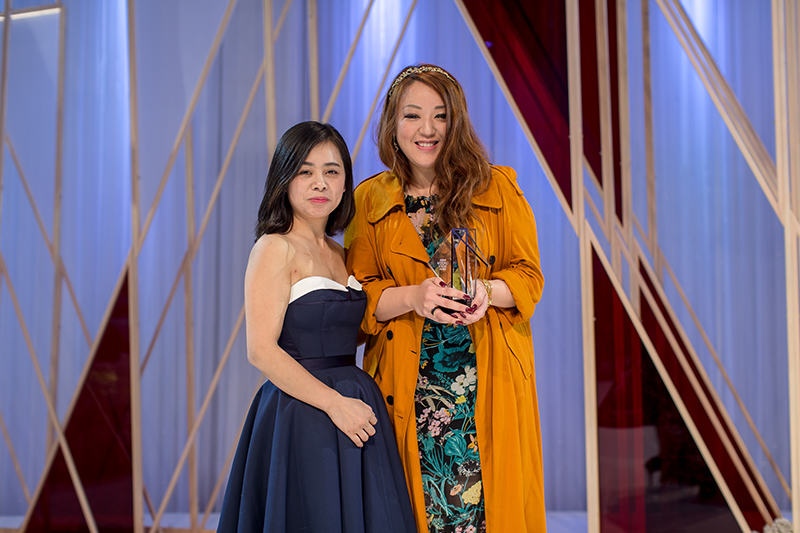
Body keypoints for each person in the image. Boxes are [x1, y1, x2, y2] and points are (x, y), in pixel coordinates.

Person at [345, 65, 547, 532]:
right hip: (407, 384)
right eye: (413, 115)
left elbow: (528, 276)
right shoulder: (369, 201)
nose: (428, 129)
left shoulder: (498, 187)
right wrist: (413, 297)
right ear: (393, 124)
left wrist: (487, 291)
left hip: (486, 379)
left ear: (457, 121)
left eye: (440, 115)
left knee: (490, 511)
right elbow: (358, 298)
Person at [217, 121, 416, 533]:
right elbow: (260, 350)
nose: (319, 183)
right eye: (305, 171)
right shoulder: (274, 247)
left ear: (345, 184)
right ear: (284, 180)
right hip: (303, 411)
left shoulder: (342, 254)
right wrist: (334, 404)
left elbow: (351, 330)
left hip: (358, 404)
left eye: (331, 171)